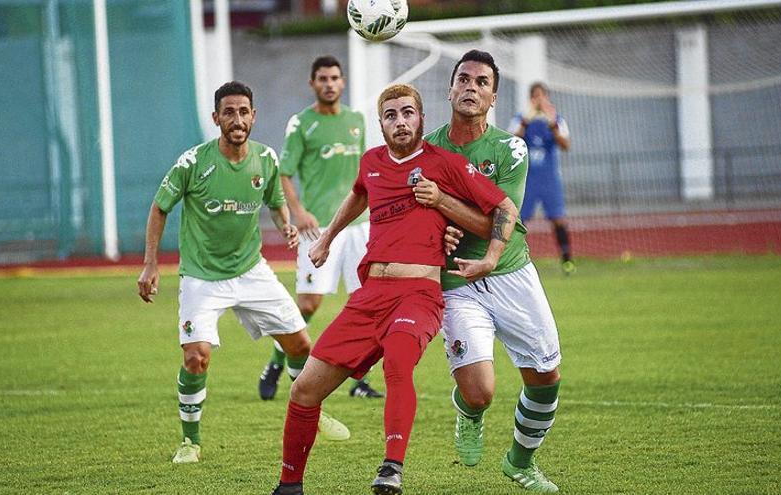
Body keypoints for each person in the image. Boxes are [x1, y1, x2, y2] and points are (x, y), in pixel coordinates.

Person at [271, 83, 518, 495]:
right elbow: (357, 196)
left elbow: (503, 209)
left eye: (408, 113)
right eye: (391, 115)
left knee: (397, 365)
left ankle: (392, 467)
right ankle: (289, 486)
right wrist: (328, 238)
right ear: (380, 122)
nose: (400, 122)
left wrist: (489, 255)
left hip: (417, 295)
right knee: (304, 389)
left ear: (421, 118)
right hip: (368, 298)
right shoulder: (371, 162)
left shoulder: (445, 164)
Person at [136, 81, 348, 464]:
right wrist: (151, 263)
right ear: (216, 118)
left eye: (244, 111)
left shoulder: (265, 159)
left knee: (301, 345)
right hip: (202, 277)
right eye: (229, 112)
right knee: (196, 357)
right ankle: (190, 441)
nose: (237, 119)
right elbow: (159, 207)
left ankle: (311, 412)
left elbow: (276, 201)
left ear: (254, 116)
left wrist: (285, 225)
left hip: (251, 272)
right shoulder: (192, 163)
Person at [419, 50, 563, 492]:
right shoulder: (427, 151)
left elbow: (497, 219)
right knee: (479, 391)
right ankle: (469, 414)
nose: (471, 87)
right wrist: (434, 233)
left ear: (493, 96)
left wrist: (445, 208)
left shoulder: (510, 148)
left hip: (511, 272)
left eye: (482, 82)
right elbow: (415, 215)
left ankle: (520, 462)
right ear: (449, 89)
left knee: (545, 378)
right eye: (463, 79)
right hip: (457, 280)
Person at [258, 55, 382, 401]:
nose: (329, 84)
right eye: (322, 78)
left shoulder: (357, 121)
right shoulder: (301, 124)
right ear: (312, 84)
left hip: (359, 226)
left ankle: (360, 380)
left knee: (367, 302)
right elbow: (283, 173)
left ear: (342, 83)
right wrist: (298, 211)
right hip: (318, 228)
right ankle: (276, 361)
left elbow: (364, 173)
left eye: (334, 78)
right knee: (309, 304)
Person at [509, 81, 575, 275]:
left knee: (558, 219)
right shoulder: (521, 119)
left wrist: (552, 122)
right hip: (527, 179)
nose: (539, 100)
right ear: (531, 99)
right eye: (535, 96)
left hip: (549, 179)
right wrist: (526, 120)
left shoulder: (557, 120)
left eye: (542, 96)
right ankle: (515, 262)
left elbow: (565, 145)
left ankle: (567, 261)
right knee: (520, 222)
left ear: (547, 97)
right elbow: (512, 141)